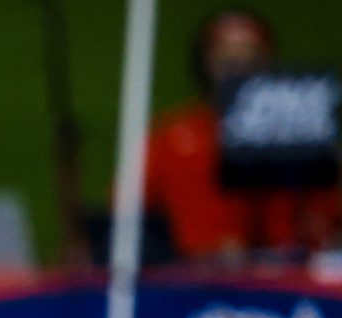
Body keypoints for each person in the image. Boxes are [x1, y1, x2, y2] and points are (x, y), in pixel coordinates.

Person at [144, 10, 338, 262]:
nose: (237, 63)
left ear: (267, 59)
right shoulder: (172, 134)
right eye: (225, 56)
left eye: (249, 54)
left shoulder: (302, 128)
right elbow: (128, 217)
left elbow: (330, 215)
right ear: (205, 61)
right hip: (194, 280)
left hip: (291, 277)